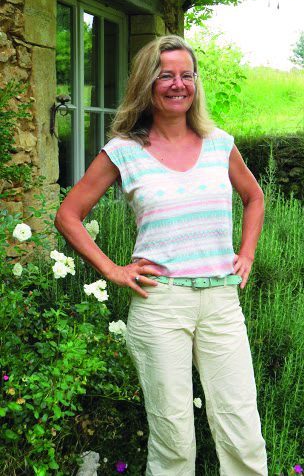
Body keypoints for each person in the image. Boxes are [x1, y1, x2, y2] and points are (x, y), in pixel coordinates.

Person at [54, 35, 268, 475]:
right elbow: (68, 215)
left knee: (243, 431)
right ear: (146, 83)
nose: (178, 84)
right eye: (165, 75)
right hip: (160, 305)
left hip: (221, 303)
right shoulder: (124, 151)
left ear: (196, 83)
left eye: (187, 75)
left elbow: (254, 197)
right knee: (173, 440)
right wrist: (111, 269)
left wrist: (246, 253)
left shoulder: (219, 144)